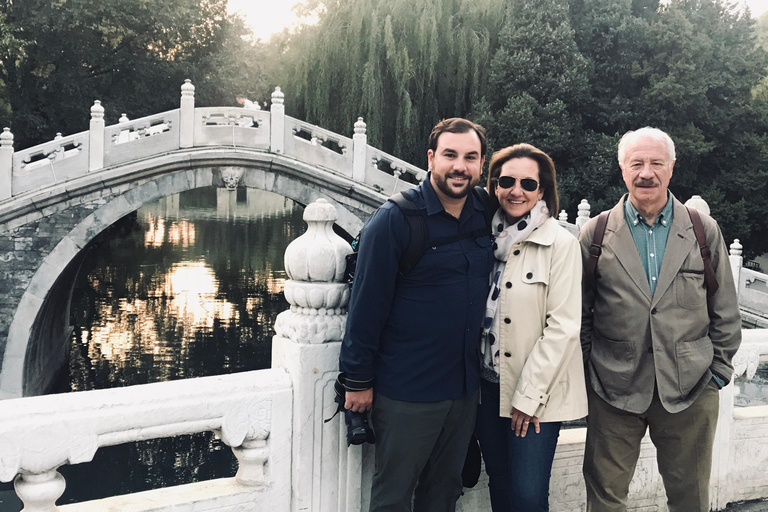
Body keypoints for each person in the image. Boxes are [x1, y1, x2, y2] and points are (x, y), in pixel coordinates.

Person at [579, 127, 742, 512]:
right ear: (623, 169)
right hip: (613, 388)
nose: (646, 173)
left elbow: (725, 308)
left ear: (671, 168)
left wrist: (717, 371)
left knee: (691, 498)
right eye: (636, 163)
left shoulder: (702, 230)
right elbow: (581, 312)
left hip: (692, 387)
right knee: (605, 497)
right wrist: (591, 368)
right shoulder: (596, 233)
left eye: (656, 163)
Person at [339, 118, 494, 512]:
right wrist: (357, 380)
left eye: (470, 157)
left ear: (481, 164)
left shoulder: (485, 211)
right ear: (431, 158)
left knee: (443, 493)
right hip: (408, 390)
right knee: (393, 496)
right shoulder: (396, 219)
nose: (460, 166)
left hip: (463, 389)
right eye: (450, 155)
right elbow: (365, 307)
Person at [476, 144, 587, 512]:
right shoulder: (483, 239)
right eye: (506, 180)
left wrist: (529, 397)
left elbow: (564, 327)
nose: (516, 190)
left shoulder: (561, 244)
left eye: (528, 183)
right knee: (501, 483)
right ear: (494, 186)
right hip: (486, 387)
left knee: (527, 494)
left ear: (542, 190)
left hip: (536, 395)